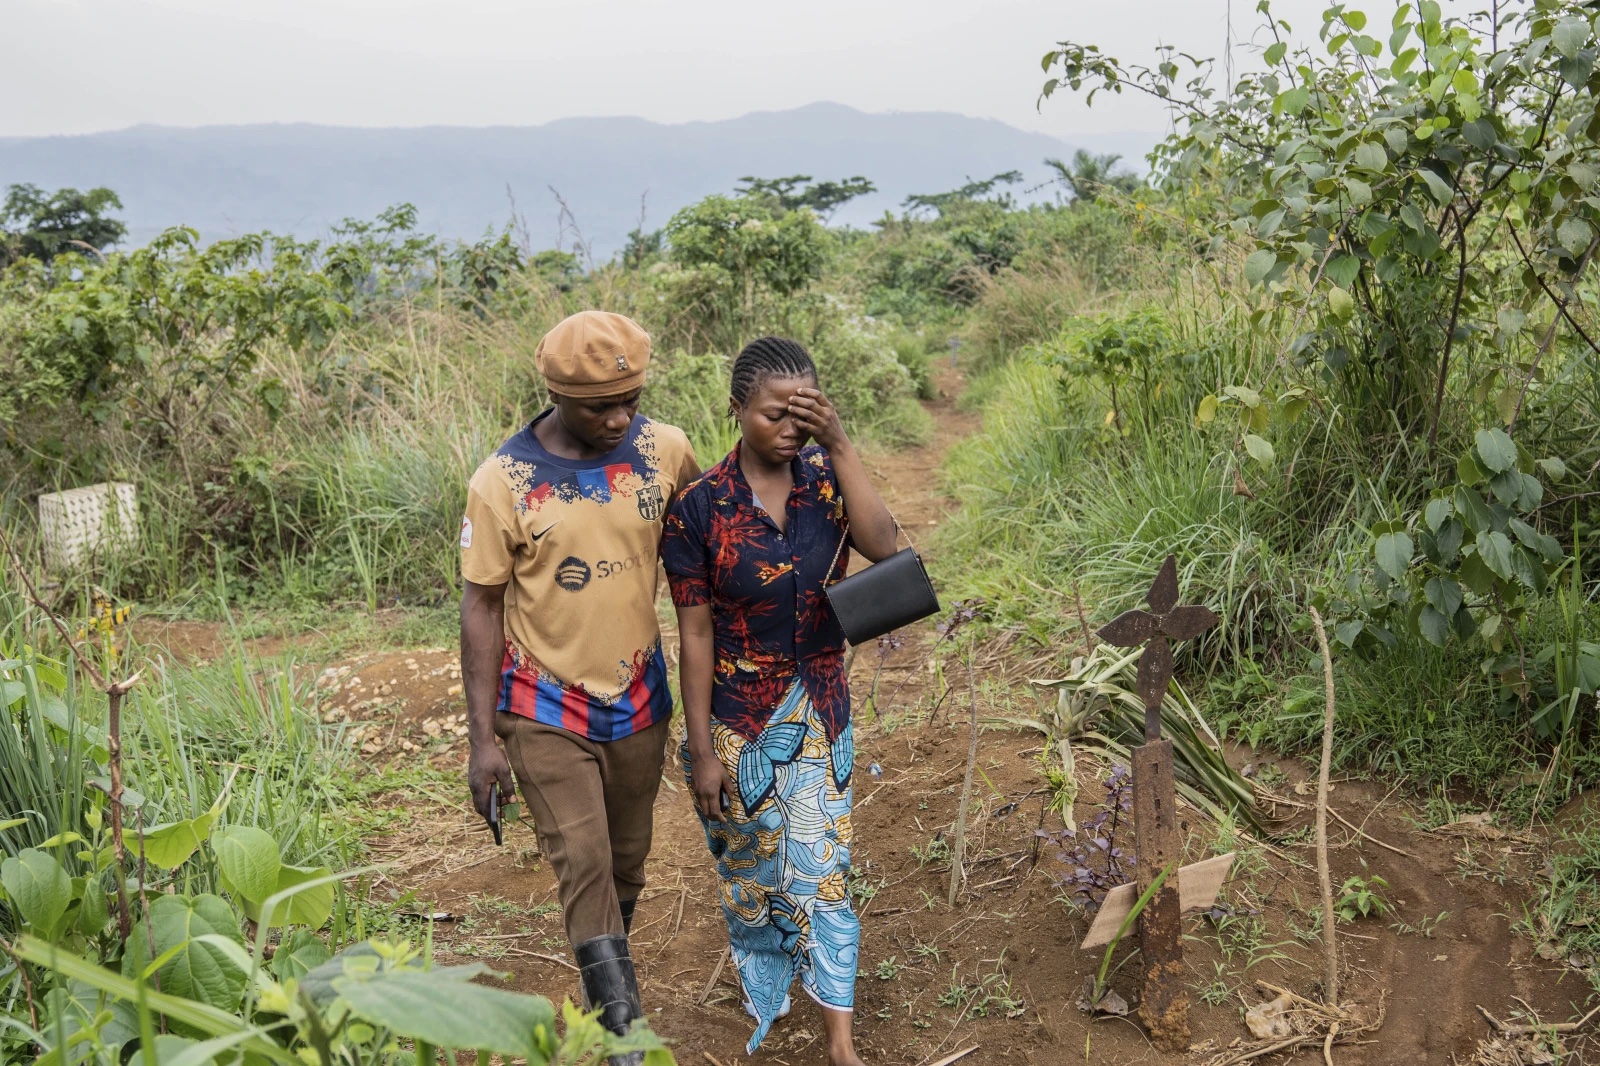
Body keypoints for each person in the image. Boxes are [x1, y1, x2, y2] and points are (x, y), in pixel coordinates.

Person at [460, 310, 698, 1059]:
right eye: (601, 405)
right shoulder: (505, 483)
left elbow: (703, 555)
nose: (620, 417)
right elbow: (482, 605)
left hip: (638, 693)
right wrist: (481, 740)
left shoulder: (666, 452)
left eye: (630, 398)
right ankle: (625, 1038)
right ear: (557, 395)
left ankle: (604, 997)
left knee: (628, 858)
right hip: (541, 702)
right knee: (585, 859)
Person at [662, 336, 897, 1066]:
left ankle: (840, 1043)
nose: (789, 427)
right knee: (754, 880)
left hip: (820, 710)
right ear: (736, 410)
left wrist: (843, 443)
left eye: (805, 412)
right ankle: (771, 984)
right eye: (774, 414)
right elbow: (694, 635)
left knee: (823, 874)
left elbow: (887, 549)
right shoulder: (698, 510)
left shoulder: (828, 480)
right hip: (736, 719)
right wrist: (702, 753)